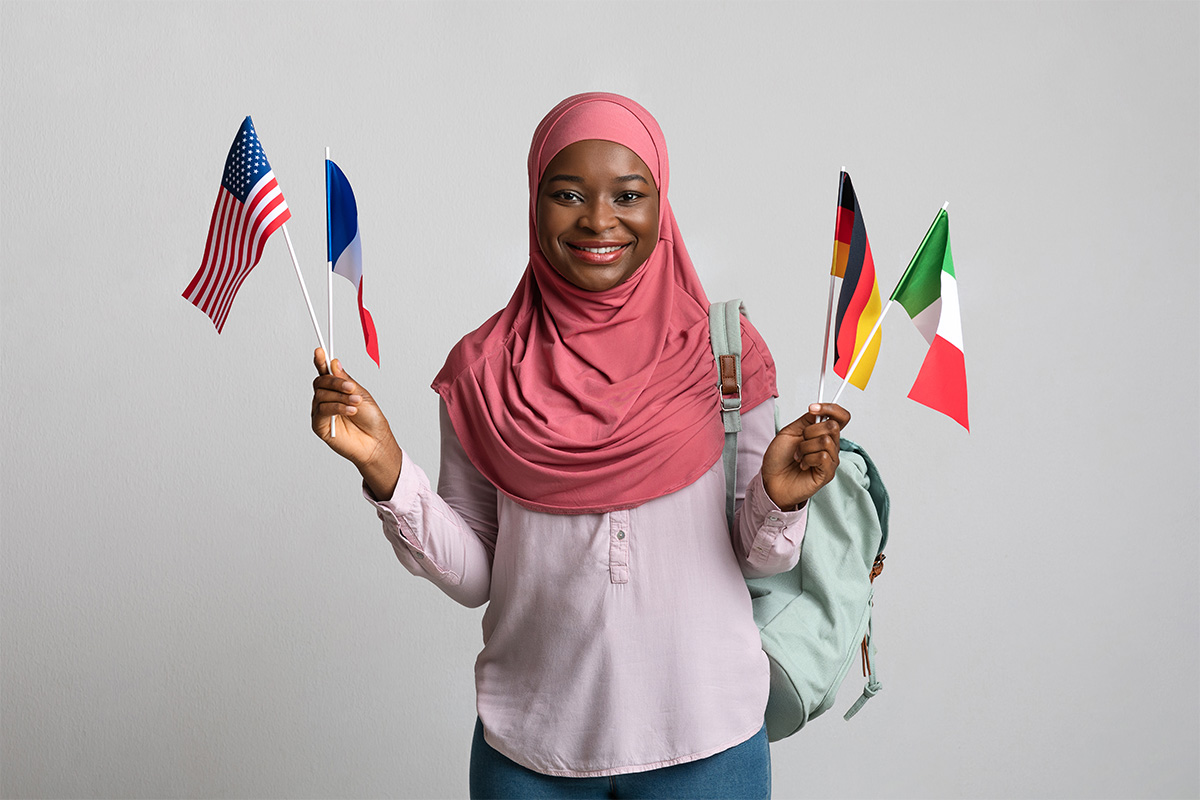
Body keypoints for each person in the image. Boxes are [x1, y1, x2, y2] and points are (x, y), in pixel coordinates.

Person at [310, 92, 851, 799]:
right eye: (567, 194)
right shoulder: (483, 371)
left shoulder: (726, 355)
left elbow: (761, 553)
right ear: (534, 202)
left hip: (709, 741)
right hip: (531, 751)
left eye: (629, 194)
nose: (599, 220)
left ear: (662, 205)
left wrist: (779, 498)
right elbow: (478, 577)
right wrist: (388, 474)